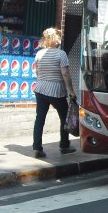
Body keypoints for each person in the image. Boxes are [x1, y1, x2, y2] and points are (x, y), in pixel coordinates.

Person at [32, 27, 77, 158]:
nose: (60, 39)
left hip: (40, 89)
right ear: (53, 39)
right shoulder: (61, 54)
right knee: (64, 118)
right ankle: (64, 146)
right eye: (58, 36)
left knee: (39, 119)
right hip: (56, 90)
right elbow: (65, 74)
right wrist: (71, 91)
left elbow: (38, 73)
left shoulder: (39, 54)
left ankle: (37, 148)